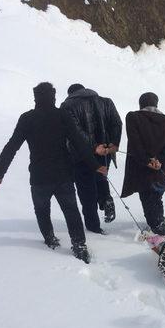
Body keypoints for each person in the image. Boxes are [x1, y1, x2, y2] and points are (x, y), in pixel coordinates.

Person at [0, 82, 107, 263]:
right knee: (71, 211)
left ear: (36, 98)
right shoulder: (62, 115)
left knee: (42, 210)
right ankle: (79, 245)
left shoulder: (27, 119)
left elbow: (12, 146)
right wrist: (95, 165)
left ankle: (50, 239)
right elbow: (79, 142)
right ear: (53, 97)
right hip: (63, 175)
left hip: (39, 177)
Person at [121, 92, 165, 236]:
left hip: (142, 167)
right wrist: (160, 160)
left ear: (141, 104)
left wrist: (147, 160)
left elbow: (135, 142)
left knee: (147, 197)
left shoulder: (133, 117)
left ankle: (158, 230)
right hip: (163, 169)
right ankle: (159, 222)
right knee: (156, 196)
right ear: (156, 104)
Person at [60, 84, 122, 233]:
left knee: (86, 190)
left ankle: (93, 226)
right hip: (106, 151)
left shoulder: (67, 105)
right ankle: (106, 198)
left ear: (71, 94)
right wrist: (114, 143)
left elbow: (74, 130)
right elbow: (116, 123)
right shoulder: (106, 102)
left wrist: (94, 147)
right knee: (101, 176)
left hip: (81, 155)